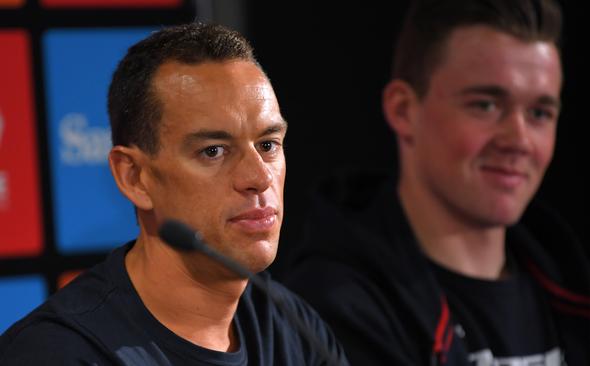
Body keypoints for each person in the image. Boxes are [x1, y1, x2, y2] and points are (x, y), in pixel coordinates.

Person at [283, 0, 590, 365]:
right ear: (403, 110)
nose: (519, 140)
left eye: (539, 113)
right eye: (486, 105)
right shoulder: (333, 309)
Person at [0, 23, 348, 366]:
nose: (259, 177)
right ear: (134, 176)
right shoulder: (56, 353)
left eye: (268, 145)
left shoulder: (294, 327)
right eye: (214, 151)